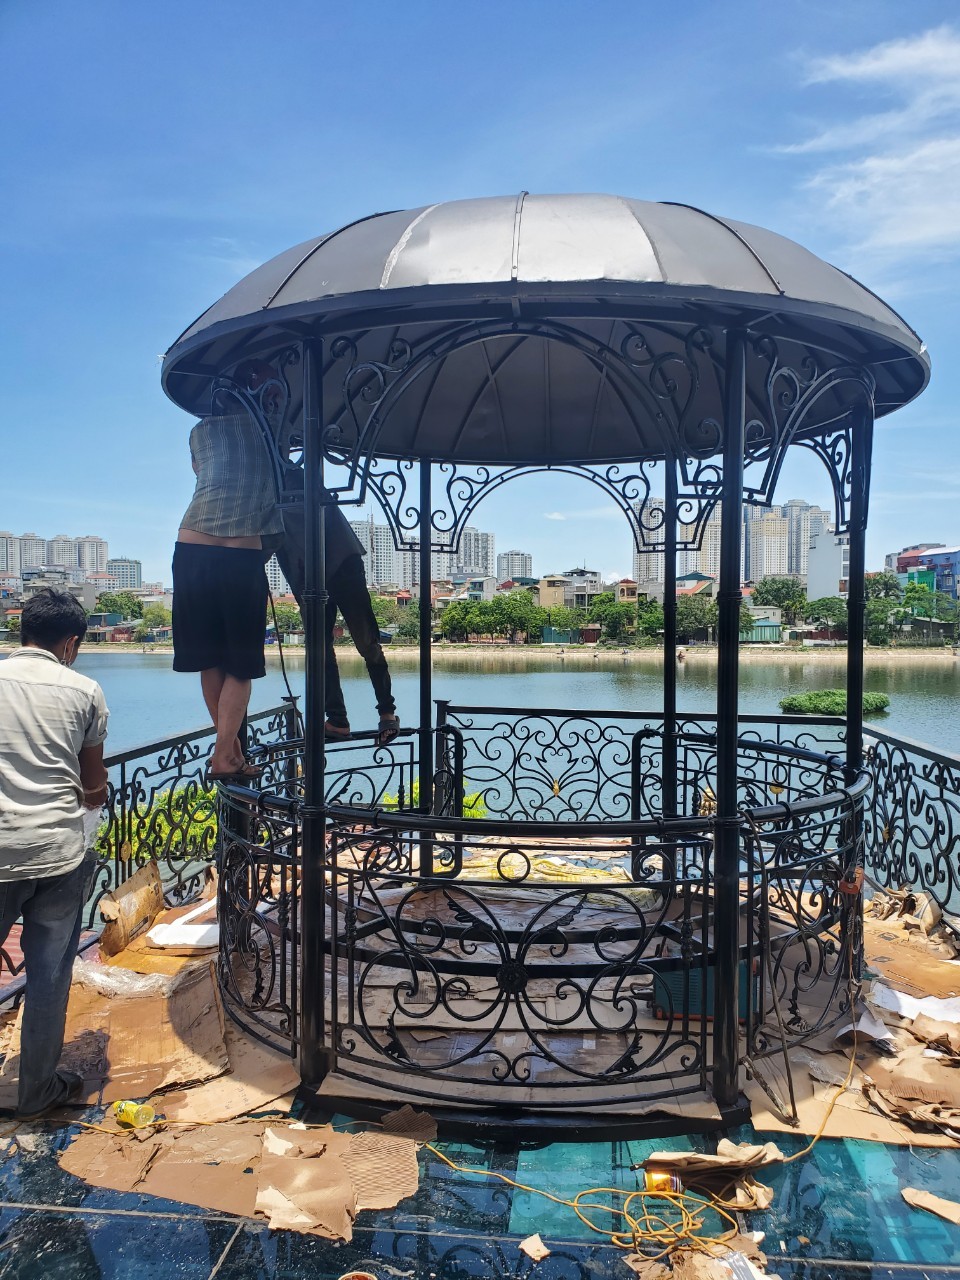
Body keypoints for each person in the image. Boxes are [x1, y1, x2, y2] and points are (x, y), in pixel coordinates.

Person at [0, 588, 109, 1119]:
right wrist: (94, 796)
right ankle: (37, 1092)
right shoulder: (84, 690)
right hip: (57, 852)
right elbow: (93, 784)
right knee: (48, 976)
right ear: (70, 643)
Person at [172, 359, 285, 780]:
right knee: (241, 663)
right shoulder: (274, 427)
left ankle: (230, 752)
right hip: (241, 553)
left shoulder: (199, 432)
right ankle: (225, 755)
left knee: (210, 660)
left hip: (192, 546)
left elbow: (202, 471)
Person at [275, 475, 399, 745]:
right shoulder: (268, 493)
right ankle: (339, 719)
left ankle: (386, 713)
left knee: (366, 642)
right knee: (320, 650)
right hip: (310, 577)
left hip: (340, 564)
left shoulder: (298, 479)